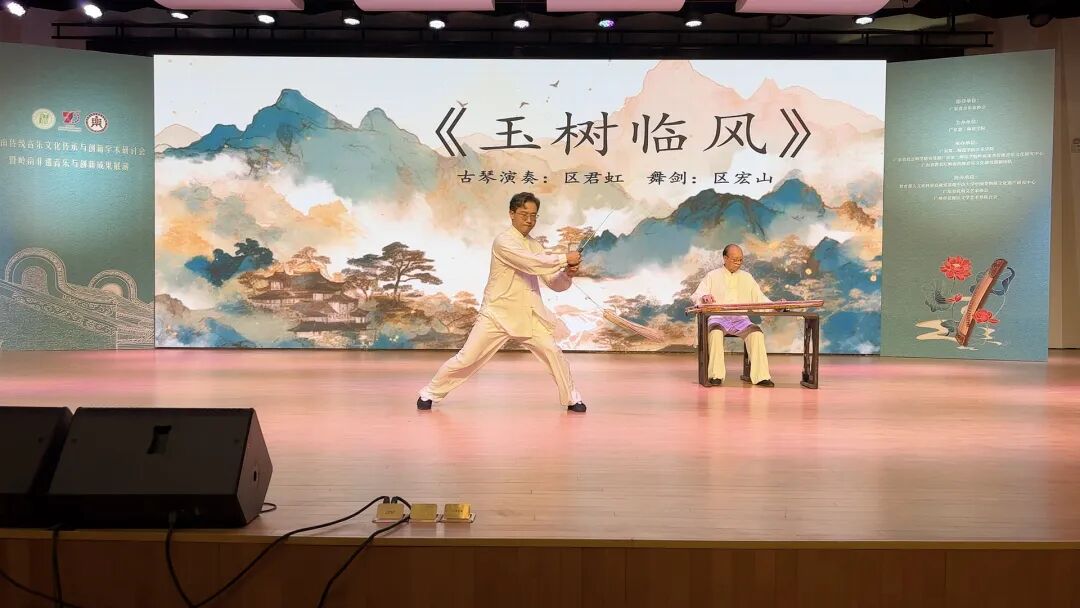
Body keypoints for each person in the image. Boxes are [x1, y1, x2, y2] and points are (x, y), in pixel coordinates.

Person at [417, 192, 588, 412]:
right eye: (524, 214)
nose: (529, 220)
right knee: (467, 359)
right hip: (496, 313)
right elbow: (531, 263)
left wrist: (567, 273)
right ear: (511, 214)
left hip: (529, 314)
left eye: (533, 215)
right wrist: (565, 258)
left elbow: (553, 282)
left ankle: (572, 398)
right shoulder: (503, 241)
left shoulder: (535, 246)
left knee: (553, 353)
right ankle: (429, 393)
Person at [691, 244, 774, 387]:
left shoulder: (747, 277)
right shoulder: (712, 275)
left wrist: (775, 306)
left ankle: (761, 376)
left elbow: (760, 298)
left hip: (740, 318)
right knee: (715, 332)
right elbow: (697, 295)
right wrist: (704, 297)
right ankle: (716, 375)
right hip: (718, 317)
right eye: (735, 259)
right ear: (725, 258)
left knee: (756, 333)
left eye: (740, 260)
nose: (738, 263)